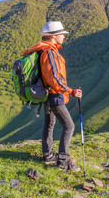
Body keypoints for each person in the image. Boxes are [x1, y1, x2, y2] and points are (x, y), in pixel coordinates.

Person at [22, 21, 82, 171]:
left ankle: (48, 154)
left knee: (49, 123)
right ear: (54, 36)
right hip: (54, 95)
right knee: (69, 126)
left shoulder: (42, 50)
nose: (63, 37)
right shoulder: (49, 52)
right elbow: (54, 79)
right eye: (61, 34)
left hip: (47, 93)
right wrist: (71, 91)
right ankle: (63, 162)